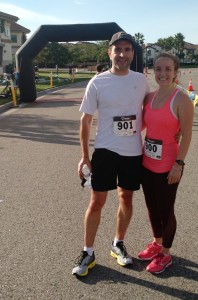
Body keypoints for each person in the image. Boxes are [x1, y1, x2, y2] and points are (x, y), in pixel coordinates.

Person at [72, 31, 150, 277]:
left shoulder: (141, 80)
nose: (122, 54)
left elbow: (149, 115)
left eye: (127, 49)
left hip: (132, 151)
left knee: (126, 198)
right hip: (105, 151)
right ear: (109, 53)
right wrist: (85, 156)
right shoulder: (98, 81)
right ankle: (87, 252)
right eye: (117, 49)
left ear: (132, 54)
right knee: (97, 202)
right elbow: (85, 121)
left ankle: (118, 244)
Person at [138, 53, 194, 274]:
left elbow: (187, 135)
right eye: (158, 69)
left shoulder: (181, 100)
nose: (162, 73)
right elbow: (141, 125)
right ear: (153, 71)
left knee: (166, 211)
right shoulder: (149, 97)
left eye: (167, 69)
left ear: (175, 73)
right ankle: (157, 242)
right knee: (152, 208)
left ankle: (166, 254)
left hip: (169, 166)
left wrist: (178, 164)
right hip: (146, 162)